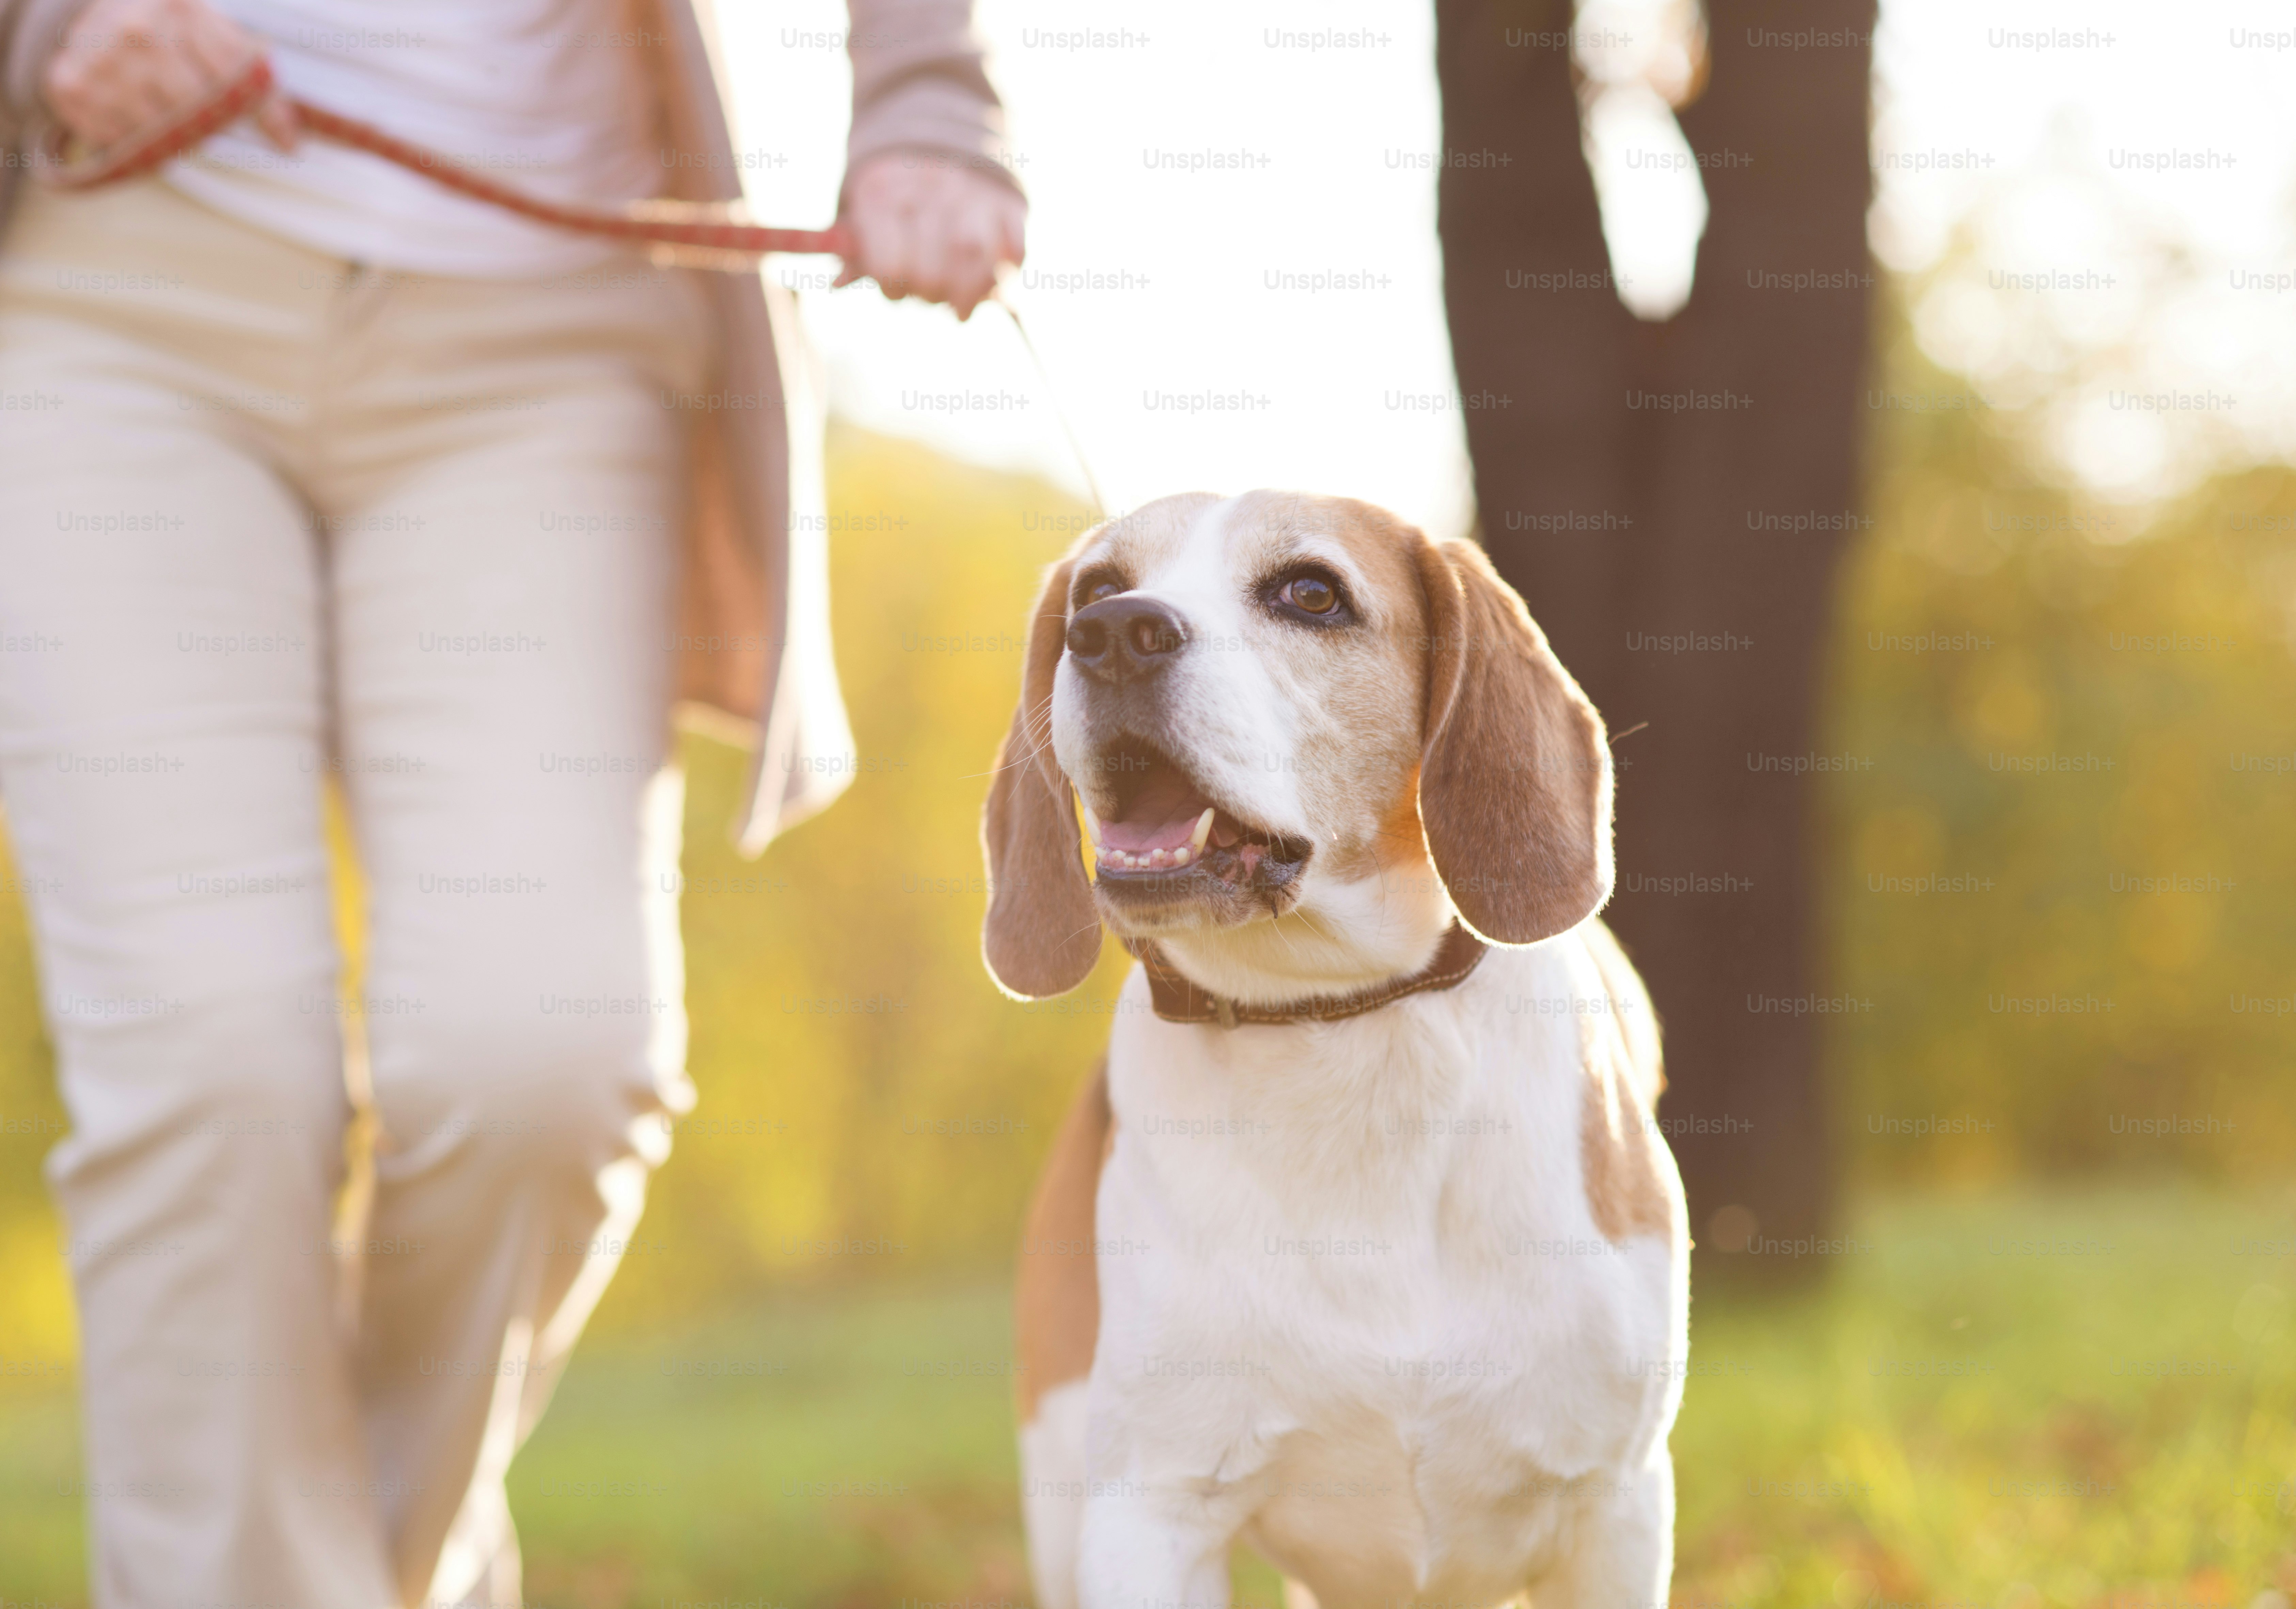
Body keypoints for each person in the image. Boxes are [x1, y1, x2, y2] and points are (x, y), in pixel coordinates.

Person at [0, 0, 1024, 1600]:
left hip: (551, 313)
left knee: (542, 1055)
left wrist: (924, 101)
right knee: (209, 1066)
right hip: (117, 278)